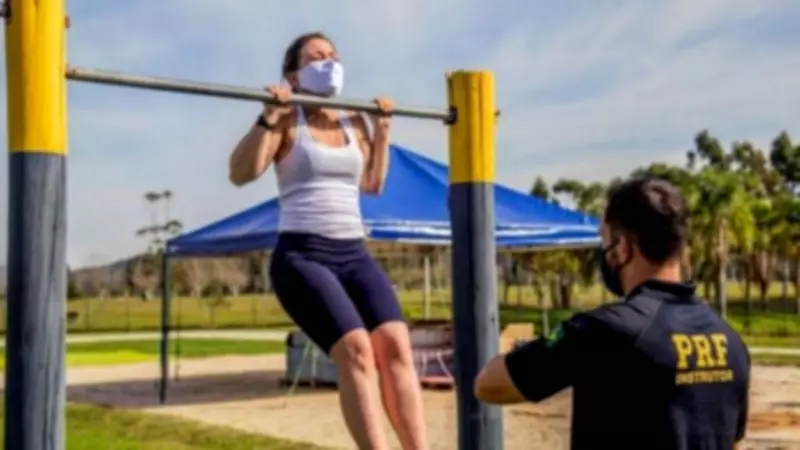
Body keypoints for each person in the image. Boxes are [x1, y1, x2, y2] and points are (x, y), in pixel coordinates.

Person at [227, 32, 428, 450]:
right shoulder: (286, 118)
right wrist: (268, 116)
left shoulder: (354, 120)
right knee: (356, 350)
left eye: (333, 55)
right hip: (303, 255)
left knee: (396, 346)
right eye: (316, 57)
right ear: (294, 75)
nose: (329, 62)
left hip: (353, 252)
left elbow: (372, 184)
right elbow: (241, 173)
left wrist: (383, 129)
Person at [474, 177, 751, 450]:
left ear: (622, 248)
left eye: (604, 241)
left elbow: (489, 384)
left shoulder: (606, 330)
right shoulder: (730, 342)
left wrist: (549, 346)